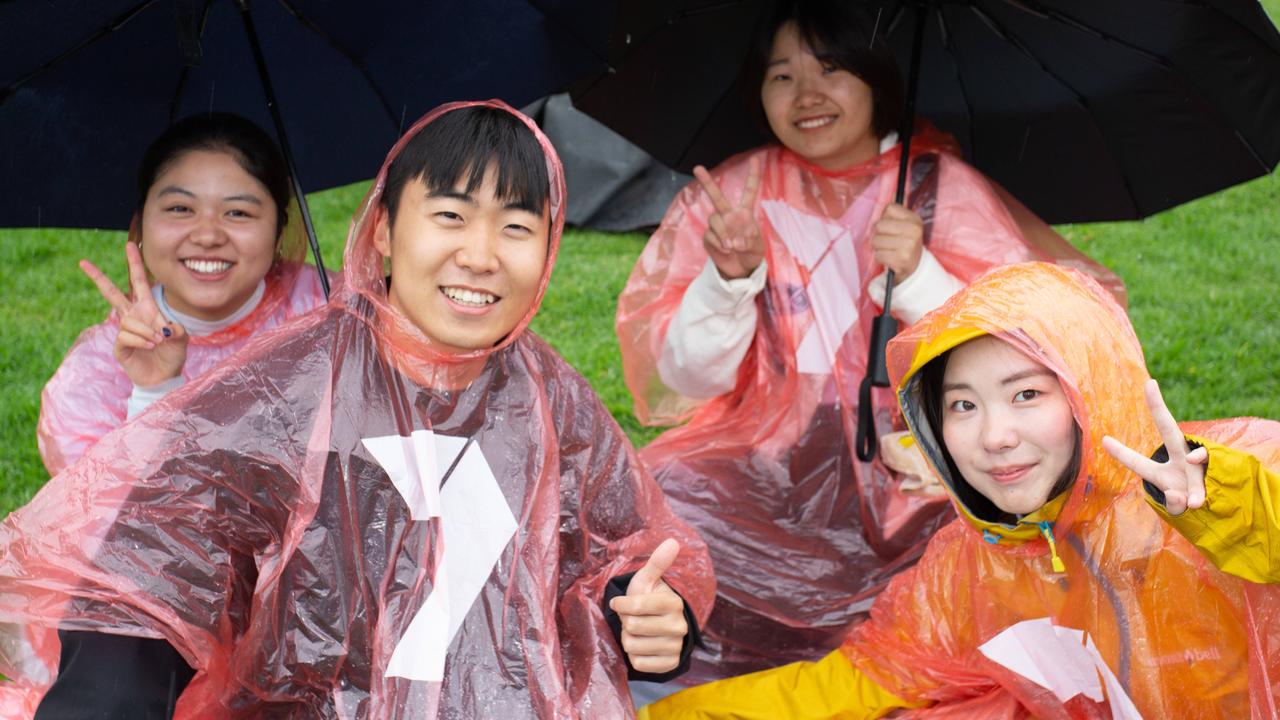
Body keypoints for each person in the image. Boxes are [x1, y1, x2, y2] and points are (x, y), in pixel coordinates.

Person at [0, 101, 713, 719]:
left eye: (517, 228)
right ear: (382, 232)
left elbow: (624, 548)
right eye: (450, 216)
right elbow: (150, 573)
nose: (481, 254)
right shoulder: (287, 389)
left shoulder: (551, 396)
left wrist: (652, 619)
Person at [615, 0, 1125, 681]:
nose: (808, 97)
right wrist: (728, 277)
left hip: (917, 459)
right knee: (664, 495)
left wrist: (919, 276)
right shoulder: (736, 193)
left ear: (876, 80)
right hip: (763, 449)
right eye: (782, 77)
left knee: (984, 529)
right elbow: (688, 379)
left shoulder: (936, 189)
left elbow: (1034, 339)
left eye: (832, 70)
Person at [637, 261, 1280, 718]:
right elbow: (857, 684)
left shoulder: (1209, 476)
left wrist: (1222, 506)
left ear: (1093, 390)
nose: (994, 436)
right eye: (963, 406)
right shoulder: (972, 565)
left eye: (1027, 394)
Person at [37, 112, 331, 477]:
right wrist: (153, 392)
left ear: (279, 230)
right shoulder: (93, 378)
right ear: (141, 221)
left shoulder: (332, 309)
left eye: (238, 212)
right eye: (180, 209)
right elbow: (108, 520)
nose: (208, 236)